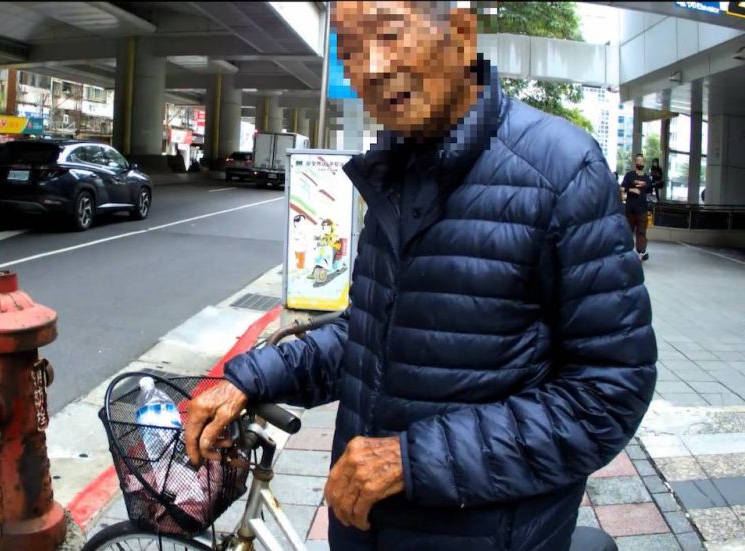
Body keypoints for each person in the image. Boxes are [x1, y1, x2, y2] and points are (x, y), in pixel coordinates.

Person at [185, 3, 657, 550]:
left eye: (389, 34)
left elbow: (609, 391)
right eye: (352, 51)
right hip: (363, 531)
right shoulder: (394, 172)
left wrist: (412, 461)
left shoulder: (562, 170)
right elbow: (371, 336)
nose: (372, 67)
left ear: (461, 35)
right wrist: (250, 377)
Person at [622, 154, 654, 261]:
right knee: (628, 231)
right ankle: (626, 251)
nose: (640, 163)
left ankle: (641, 252)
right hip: (630, 209)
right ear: (635, 163)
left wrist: (644, 184)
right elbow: (622, 188)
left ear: (644, 163)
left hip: (642, 209)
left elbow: (650, 190)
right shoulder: (629, 175)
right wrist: (631, 189)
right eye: (638, 161)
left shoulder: (647, 178)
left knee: (641, 231)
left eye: (642, 161)